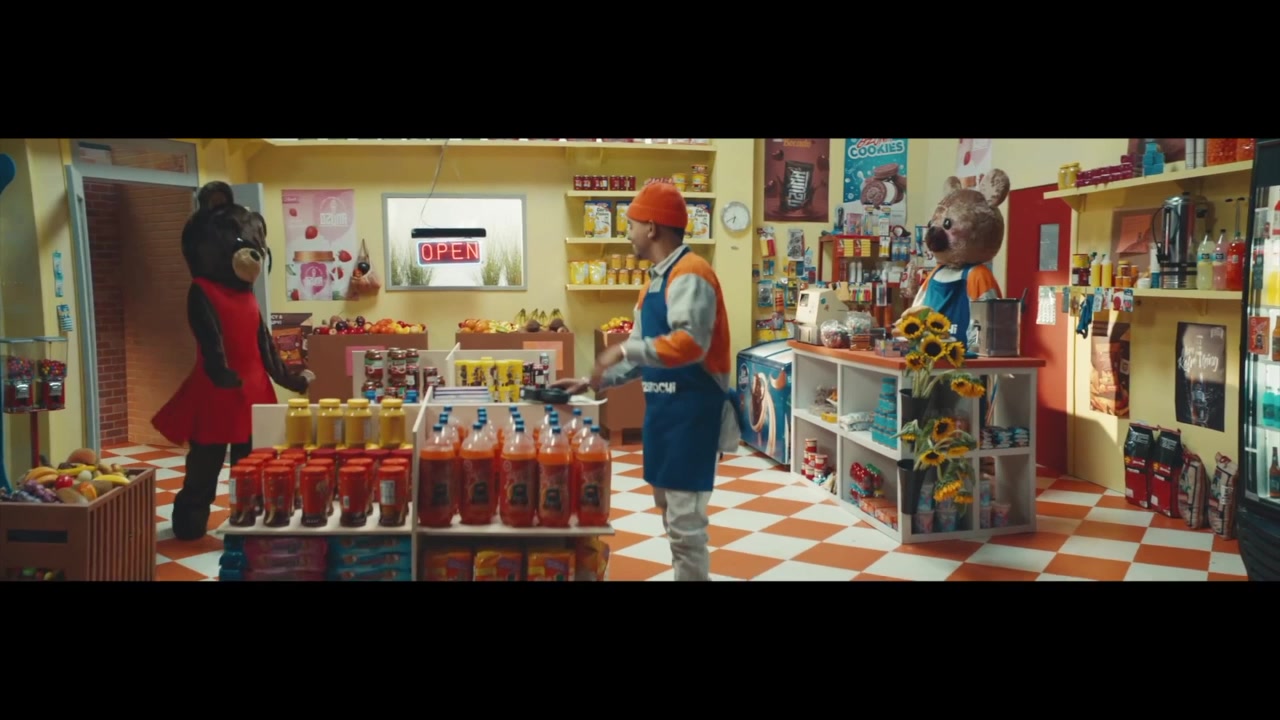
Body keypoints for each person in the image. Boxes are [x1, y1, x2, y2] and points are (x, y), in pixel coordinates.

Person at [555, 182, 739, 581]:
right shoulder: (651, 284)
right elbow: (642, 355)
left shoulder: (692, 273)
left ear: (652, 227)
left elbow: (690, 343)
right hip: (663, 418)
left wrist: (623, 349)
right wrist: (592, 380)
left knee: (686, 527)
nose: (628, 234)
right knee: (670, 515)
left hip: (693, 418)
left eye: (632, 224)